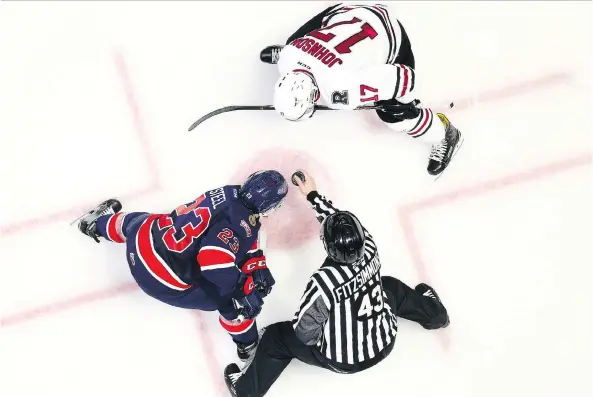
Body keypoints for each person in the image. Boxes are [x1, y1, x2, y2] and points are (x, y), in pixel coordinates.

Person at [223, 169, 450, 397]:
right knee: (389, 286)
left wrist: (330, 331)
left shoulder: (323, 282)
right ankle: (436, 315)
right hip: (386, 339)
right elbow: (340, 220)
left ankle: (245, 391)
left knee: (275, 338)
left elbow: (305, 333)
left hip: (344, 360)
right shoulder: (369, 245)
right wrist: (313, 195)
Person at [75, 170, 288, 360]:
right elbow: (213, 261)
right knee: (230, 301)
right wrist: (243, 287)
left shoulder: (229, 192)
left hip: (141, 241)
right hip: (158, 277)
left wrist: (256, 263)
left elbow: (240, 232)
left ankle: (97, 224)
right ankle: (247, 343)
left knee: (142, 222)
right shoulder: (240, 224)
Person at [259, 3, 463, 177]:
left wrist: (401, 103)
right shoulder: (289, 55)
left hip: (389, 33)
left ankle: (445, 134)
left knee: (396, 117)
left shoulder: (343, 90)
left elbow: (406, 78)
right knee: (292, 42)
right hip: (351, 13)